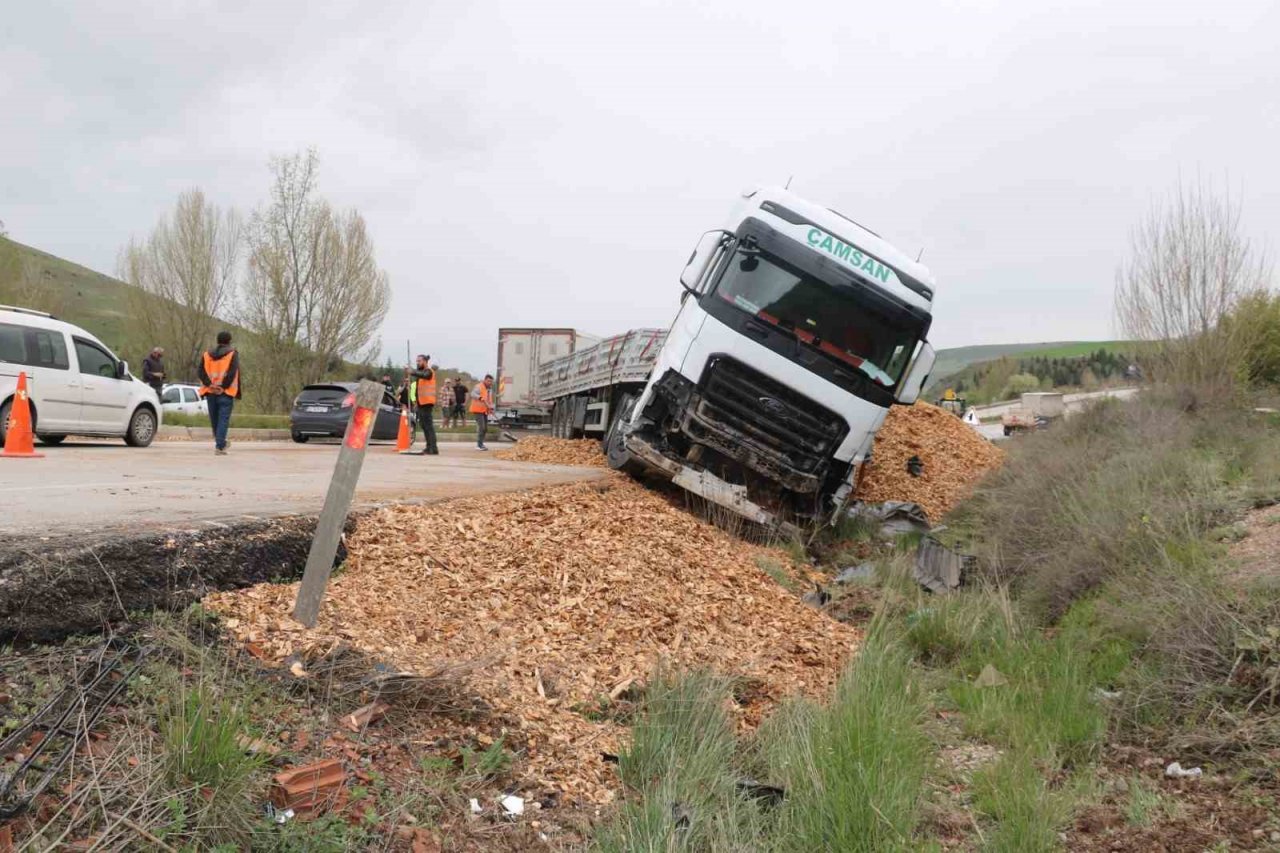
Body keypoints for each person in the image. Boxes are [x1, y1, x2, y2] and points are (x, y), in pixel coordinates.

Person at [197, 331, 241, 455]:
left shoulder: (206, 354)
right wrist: (223, 387)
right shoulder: (232, 353)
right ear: (229, 341)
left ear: (217, 340)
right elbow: (232, 372)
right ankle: (220, 446)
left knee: (215, 420)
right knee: (223, 420)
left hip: (210, 392)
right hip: (225, 392)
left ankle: (220, 443)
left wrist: (209, 384)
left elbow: (200, 371)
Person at [406, 354, 439, 455]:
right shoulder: (420, 373)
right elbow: (418, 388)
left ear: (425, 361)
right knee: (424, 426)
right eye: (417, 361)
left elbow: (424, 375)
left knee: (428, 426)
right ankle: (429, 447)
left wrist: (412, 372)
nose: (417, 363)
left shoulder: (429, 371)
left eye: (419, 361)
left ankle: (433, 448)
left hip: (427, 402)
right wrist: (416, 402)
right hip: (421, 403)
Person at [470, 374, 494, 451]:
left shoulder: (489, 389)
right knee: (482, 427)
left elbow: (489, 400)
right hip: (477, 410)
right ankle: (479, 445)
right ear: (485, 380)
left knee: (485, 428)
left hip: (484, 410)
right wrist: (480, 397)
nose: (490, 382)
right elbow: (473, 394)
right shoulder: (479, 386)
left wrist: (491, 407)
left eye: (491, 381)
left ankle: (481, 444)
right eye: (488, 381)